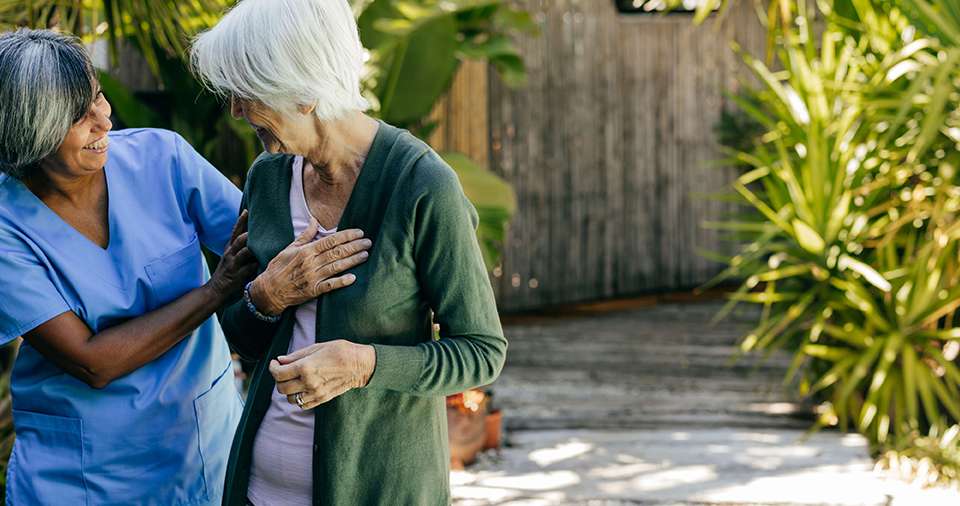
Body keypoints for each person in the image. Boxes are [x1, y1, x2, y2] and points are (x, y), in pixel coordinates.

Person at [0, 28, 367, 505]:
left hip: (200, 449)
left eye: (98, 97)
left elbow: (270, 246)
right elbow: (93, 361)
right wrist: (215, 291)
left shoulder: (161, 158)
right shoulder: (7, 229)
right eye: (78, 115)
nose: (104, 119)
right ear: (31, 129)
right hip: (83, 475)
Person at [190, 0, 509, 504]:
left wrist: (364, 364)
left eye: (246, 91)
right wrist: (266, 297)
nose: (235, 109)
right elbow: (244, 341)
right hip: (258, 492)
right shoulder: (267, 178)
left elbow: (482, 352)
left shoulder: (422, 185)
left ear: (301, 90)